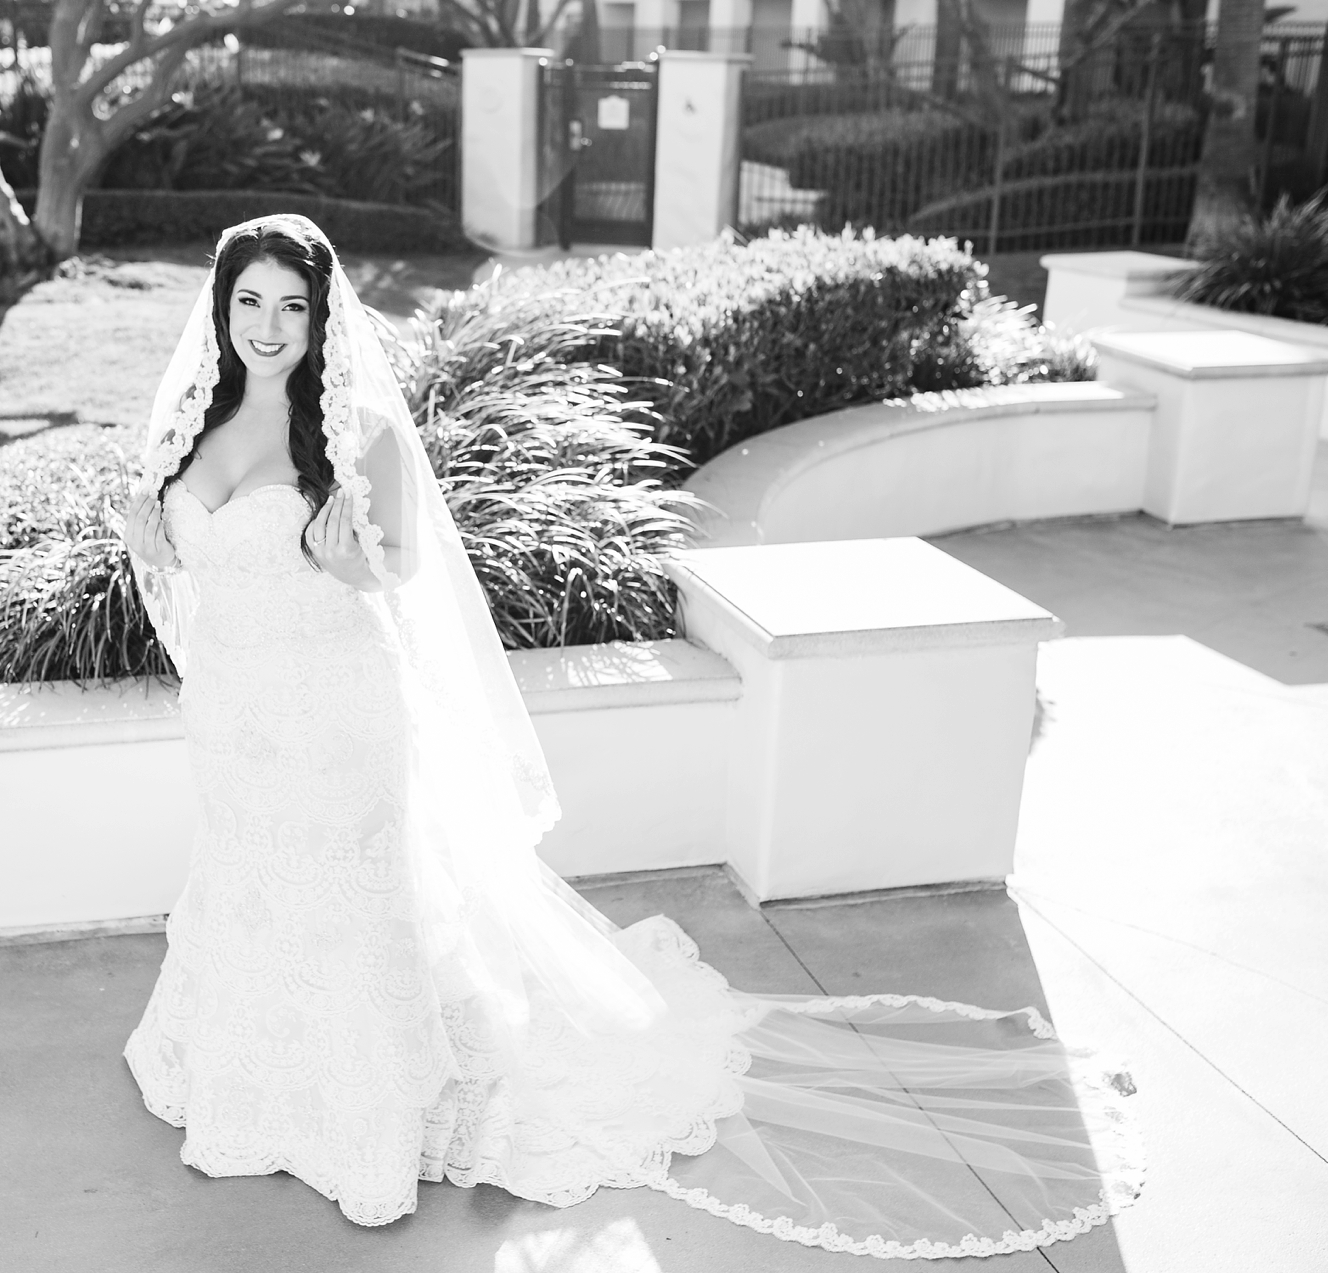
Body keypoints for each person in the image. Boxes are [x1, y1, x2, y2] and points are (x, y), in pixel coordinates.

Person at [117, 214, 1143, 1255]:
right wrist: (151, 540)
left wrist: (346, 567)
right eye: (249, 300)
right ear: (221, 306)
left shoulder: (354, 435)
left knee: (346, 900)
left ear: (321, 316)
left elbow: (400, 578)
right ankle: (256, 1084)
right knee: (255, 883)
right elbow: (187, 569)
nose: (268, 323)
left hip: (336, 715)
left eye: (291, 304)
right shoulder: (190, 431)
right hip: (236, 722)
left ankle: (364, 1116)